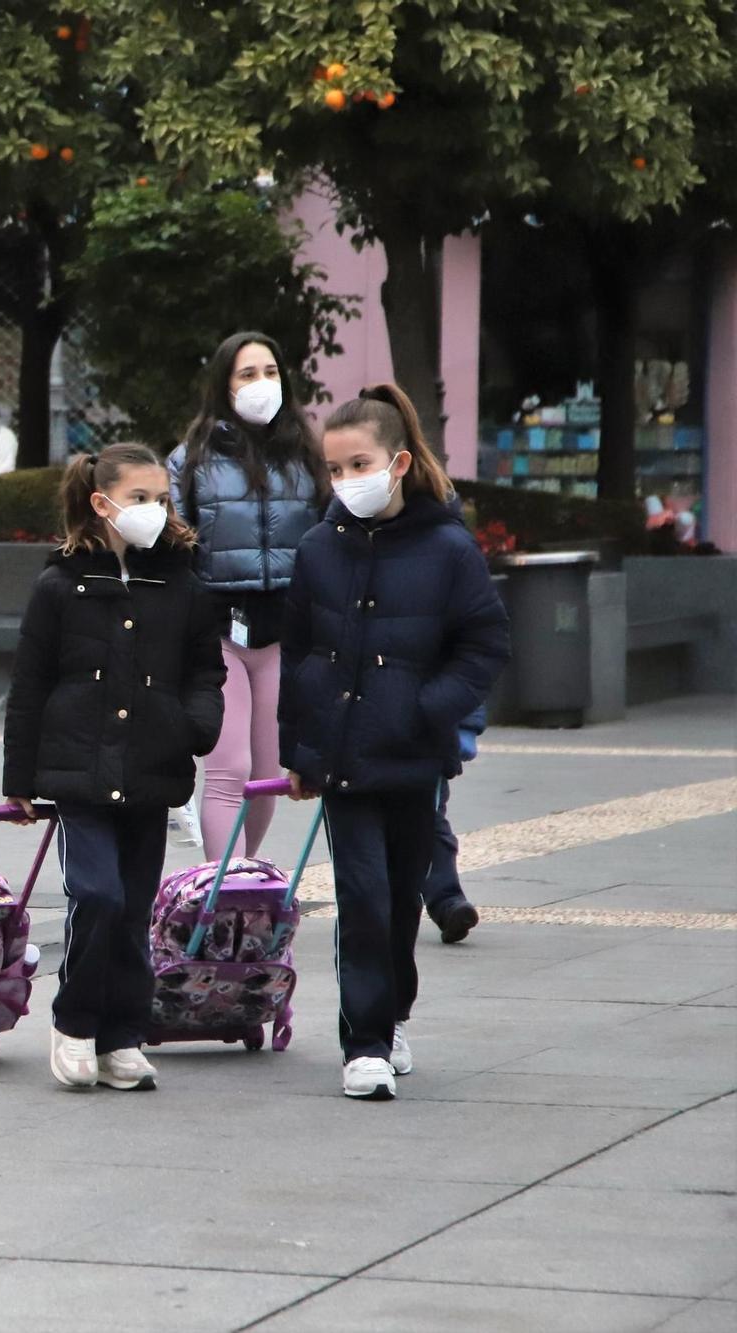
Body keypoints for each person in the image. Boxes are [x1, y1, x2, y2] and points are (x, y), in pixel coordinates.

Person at [281, 384, 510, 1101]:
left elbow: (485, 642)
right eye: (335, 468)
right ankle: (366, 1041)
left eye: (360, 464)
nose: (347, 480)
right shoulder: (318, 549)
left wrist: (427, 708)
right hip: (344, 760)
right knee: (362, 896)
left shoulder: (447, 547)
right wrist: (299, 750)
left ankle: (394, 1011)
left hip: (412, 759)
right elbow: (299, 656)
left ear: (399, 461)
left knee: (404, 894)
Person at [3, 443, 226, 1092]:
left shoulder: (182, 584)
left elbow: (205, 669)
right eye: (139, 499)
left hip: (153, 769)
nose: (154, 511)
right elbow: (29, 685)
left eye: (161, 498)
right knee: (96, 895)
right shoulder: (60, 586)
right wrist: (21, 779)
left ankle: (123, 1035)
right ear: (102, 505)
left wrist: (196, 723)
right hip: (79, 773)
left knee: (132, 909)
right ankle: (75, 1023)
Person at [168, 332, 329, 862]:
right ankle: (222, 892)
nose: (261, 385)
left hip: (282, 631)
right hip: (217, 631)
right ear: (223, 385)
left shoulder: (309, 457)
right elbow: (175, 541)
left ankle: (241, 880)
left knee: (266, 774)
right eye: (246, 374)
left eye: (270, 372)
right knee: (228, 768)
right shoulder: (190, 460)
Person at [422, 707, 486, 945]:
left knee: (429, 824)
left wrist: (466, 724)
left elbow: (467, 673)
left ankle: (448, 904)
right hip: (358, 732)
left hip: (420, 735)